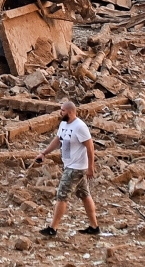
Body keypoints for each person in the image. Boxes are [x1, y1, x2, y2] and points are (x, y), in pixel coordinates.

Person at [36, 101, 100, 237]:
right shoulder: (64, 124)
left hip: (76, 168)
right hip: (70, 165)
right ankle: (94, 226)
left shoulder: (80, 127)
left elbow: (90, 147)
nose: (60, 112)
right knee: (84, 195)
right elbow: (58, 140)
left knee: (62, 195)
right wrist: (44, 153)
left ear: (70, 112)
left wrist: (90, 167)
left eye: (63, 110)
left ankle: (52, 228)